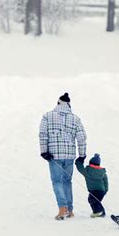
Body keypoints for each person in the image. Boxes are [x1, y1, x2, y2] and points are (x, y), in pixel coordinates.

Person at [39, 92, 87, 220]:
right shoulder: (75, 119)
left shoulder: (47, 116)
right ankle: (70, 210)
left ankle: (62, 208)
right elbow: (81, 138)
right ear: (68, 105)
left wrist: (44, 151)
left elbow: (43, 134)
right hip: (70, 155)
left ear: (58, 103)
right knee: (67, 181)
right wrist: (82, 155)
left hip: (54, 156)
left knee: (57, 181)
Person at [75, 153, 109, 218]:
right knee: (96, 201)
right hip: (101, 191)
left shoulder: (87, 171)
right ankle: (100, 212)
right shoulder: (102, 172)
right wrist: (105, 190)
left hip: (93, 190)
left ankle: (98, 212)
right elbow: (106, 182)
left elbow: (80, 168)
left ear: (90, 163)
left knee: (92, 200)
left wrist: (79, 161)